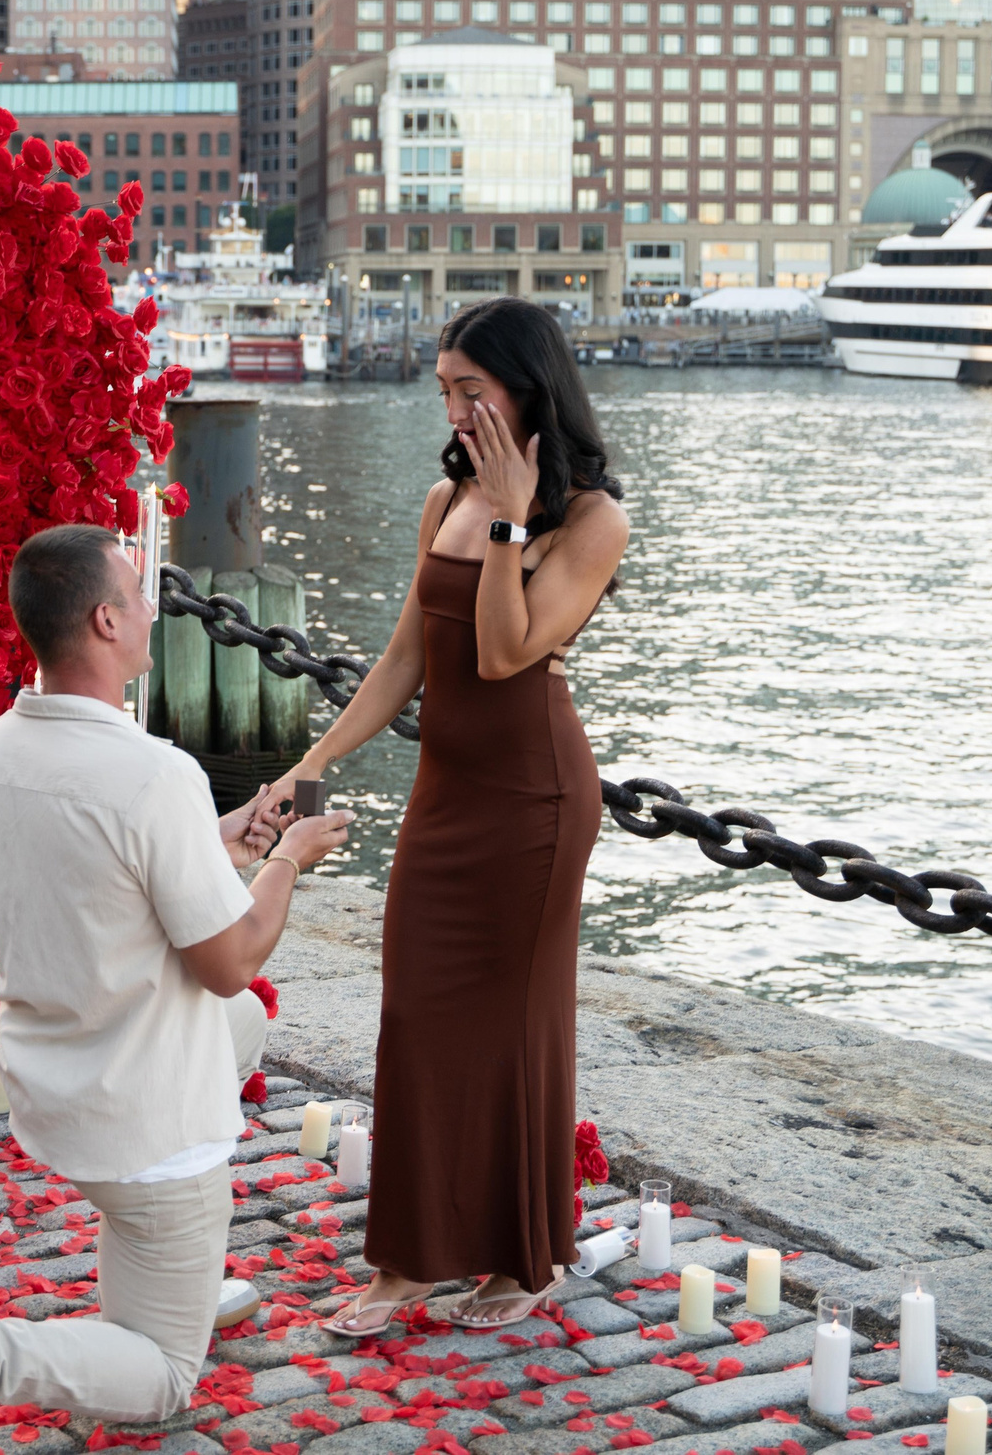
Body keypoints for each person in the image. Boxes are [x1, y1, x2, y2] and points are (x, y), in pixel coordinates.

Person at [0, 523, 355, 1455]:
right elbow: (228, 960)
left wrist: (222, 835)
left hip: (59, 1082)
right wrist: (286, 859)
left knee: (243, 1028)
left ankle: (179, 1267)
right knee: (166, 1375)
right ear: (104, 620)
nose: (152, 607)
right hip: (146, 1116)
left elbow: (95, 870)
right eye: (138, 593)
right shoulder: (152, 774)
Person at [268, 296, 629, 1336]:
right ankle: (409, 1261)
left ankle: (521, 1261)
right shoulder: (443, 500)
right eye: (445, 392)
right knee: (416, 1019)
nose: (458, 409)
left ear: (528, 388)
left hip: (534, 799)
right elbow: (404, 662)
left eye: (474, 389)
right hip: (447, 793)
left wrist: (516, 522)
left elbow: (509, 650)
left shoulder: (592, 520)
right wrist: (308, 765)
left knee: (516, 1029)